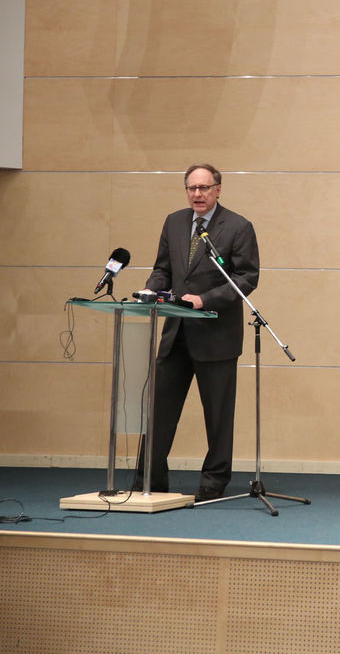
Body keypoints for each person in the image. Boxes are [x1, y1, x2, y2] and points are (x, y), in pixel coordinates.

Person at [135, 164, 259, 501]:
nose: (197, 194)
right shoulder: (174, 222)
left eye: (204, 188)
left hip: (216, 335)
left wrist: (205, 299)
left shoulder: (238, 227)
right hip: (175, 332)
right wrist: (151, 289)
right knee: (159, 411)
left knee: (217, 416)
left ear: (218, 189)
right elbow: (162, 268)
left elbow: (246, 278)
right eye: (191, 188)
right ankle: (149, 478)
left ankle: (213, 482)